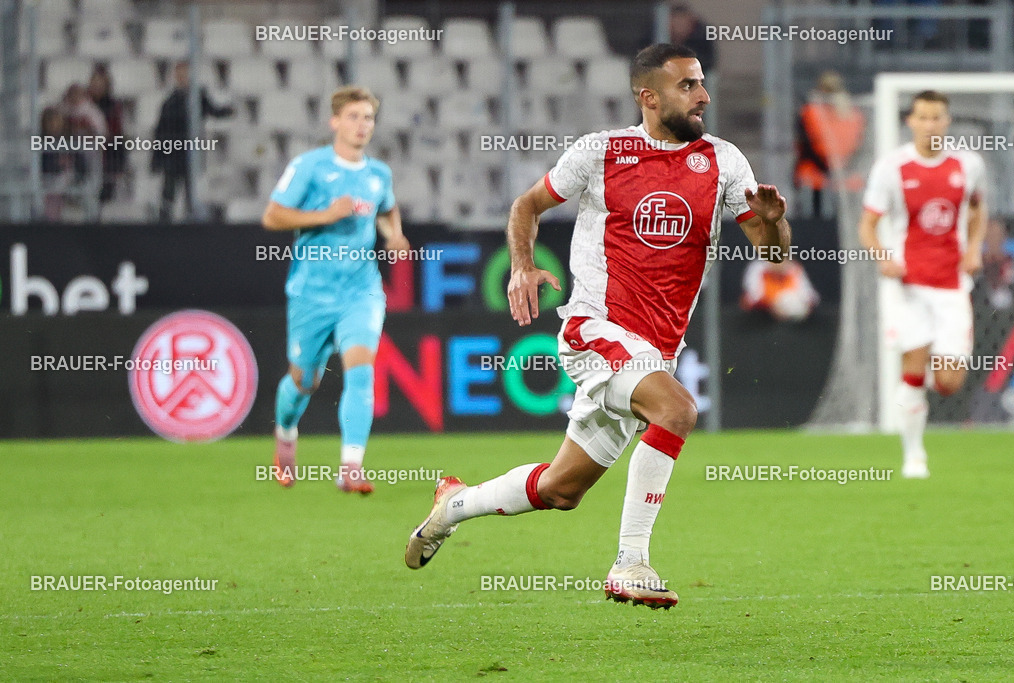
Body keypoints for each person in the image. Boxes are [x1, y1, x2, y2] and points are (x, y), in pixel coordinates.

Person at [404, 44, 791, 609]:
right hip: (596, 329)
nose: (704, 95)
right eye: (688, 86)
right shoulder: (602, 152)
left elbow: (771, 253)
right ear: (649, 96)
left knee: (561, 490)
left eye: (702, 83)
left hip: (654, 353)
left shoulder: (724, 161)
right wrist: (521, 266)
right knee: (678, 410)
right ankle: (630, 563)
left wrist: (775, 226)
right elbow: (526, 205)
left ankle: (453, 506)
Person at [262, 86, 408, 494]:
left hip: (360, 290)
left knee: (361, 370)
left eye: (368, 118)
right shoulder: (309, 166)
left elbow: (387, 208)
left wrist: (394, 235)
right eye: (354, 117)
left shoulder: (378, 173)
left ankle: (351, 467)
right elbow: (272, 216)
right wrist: (326, 214)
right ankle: (286, 434)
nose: (362, 126)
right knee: (304, 381)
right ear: (335, 122)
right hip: (311, 293)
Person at [858, 90, 987, 479]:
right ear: (910, 122)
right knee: (913, 368)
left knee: (948, 382)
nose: (930, 124)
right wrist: (884, 258)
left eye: (937, 117)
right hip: (908, 286)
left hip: (951, 284)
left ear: (947, 122)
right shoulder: (892, 168)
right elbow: (867, 225)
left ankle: (926, 369)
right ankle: (914, 456)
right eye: (923, 117)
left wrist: (975, 249)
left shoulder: (968, 165)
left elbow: (978, 210)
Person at [152, 61, 233, 222]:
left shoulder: (198, 97)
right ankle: (164, 220)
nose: (183, 77)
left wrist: (228, 110)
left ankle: (191, 220)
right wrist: (158, 158)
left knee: (191, 190)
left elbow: (213, 111)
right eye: (180, 74)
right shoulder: (170, 102)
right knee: (169, 190)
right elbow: (161, 132)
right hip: (174, 153)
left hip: (191, 154)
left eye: (185, 73)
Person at [794, 71, 865, 217]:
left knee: (815, 219)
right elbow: (859, 145)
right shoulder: (854, 113)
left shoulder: (810, 111)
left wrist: (828, 167)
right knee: (844, 218)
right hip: (844, 175)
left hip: (815, 176)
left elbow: (806, 143)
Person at [87, 65, 127, 203]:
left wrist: (119, 164)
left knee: (104, 198)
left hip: (107, 160)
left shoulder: (113, 107)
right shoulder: (83, 105)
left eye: (101, 84)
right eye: (95, 83)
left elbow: (117, 137)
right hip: (86, 160)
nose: (97, 87)